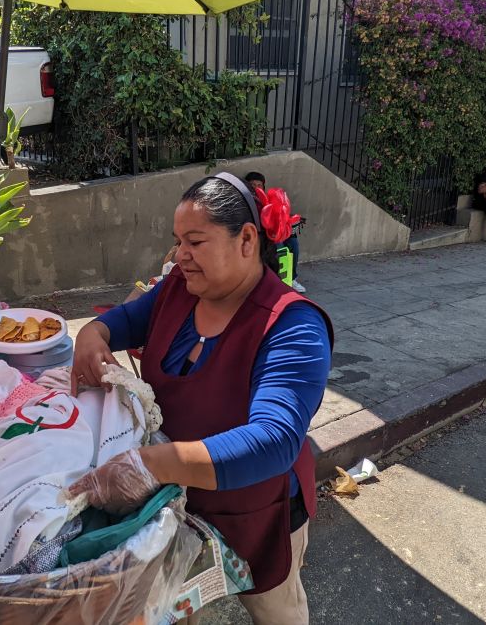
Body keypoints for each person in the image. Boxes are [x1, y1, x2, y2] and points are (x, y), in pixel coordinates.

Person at [68, 173, 333, 624]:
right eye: (177, 242)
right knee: (177, 600)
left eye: (195, 241)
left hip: (256, 509)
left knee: (276, 608)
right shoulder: (177, 290)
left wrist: (149, 464)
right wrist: (91, 335)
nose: (180, 256)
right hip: (175, 504)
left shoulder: (293, 327)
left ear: (246, 239)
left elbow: (273, 440)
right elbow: (122, 320)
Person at [244, 171, 306, 292]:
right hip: (261, 234)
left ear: (263, 186)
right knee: (279, 245)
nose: (256, 188)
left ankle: (291, 278)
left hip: (274, 231)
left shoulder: (268, 200)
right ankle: (279, 280)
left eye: (259, 185)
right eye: (252, 185)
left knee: (293, 242)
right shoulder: (245, 201)